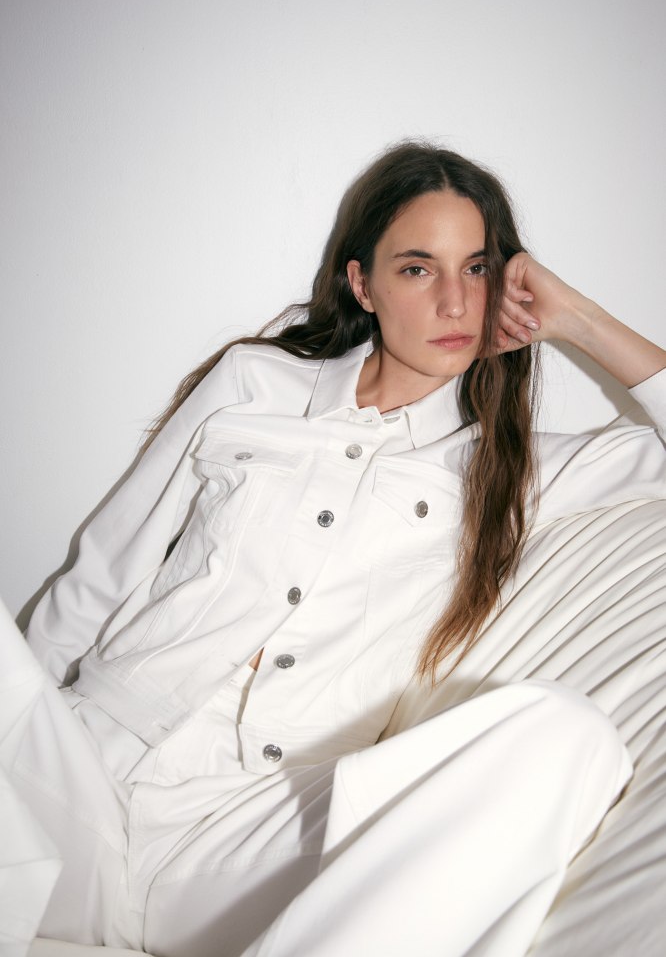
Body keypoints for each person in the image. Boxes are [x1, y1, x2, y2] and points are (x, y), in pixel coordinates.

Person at [2, 142, 665, 957]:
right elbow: (103, 574)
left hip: (249, 839)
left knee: (570, 738)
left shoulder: (517, 472)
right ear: (363, 284)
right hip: (85, 775)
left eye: (478, 269)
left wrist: (578, 319)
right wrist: (23, 728)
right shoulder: (254, 384)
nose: (455, 300)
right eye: (418, 269)